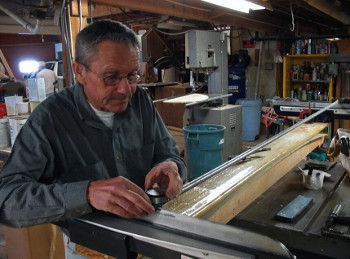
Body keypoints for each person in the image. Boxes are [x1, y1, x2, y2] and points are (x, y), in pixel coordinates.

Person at [0, 20, 186, 256]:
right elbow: (7, 199)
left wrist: (172, 167)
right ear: (80, 71)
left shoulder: (140, 102)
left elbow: (167, 153)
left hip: (151, 237)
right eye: (111, 77)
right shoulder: (49, 119)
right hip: (89, 249)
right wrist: (86, 193)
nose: (126, 89)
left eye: (132, 75)